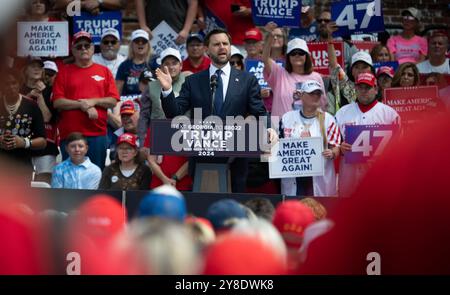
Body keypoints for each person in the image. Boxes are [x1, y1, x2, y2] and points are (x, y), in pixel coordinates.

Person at [155, 28, 267, 193]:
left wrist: (269, 128)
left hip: (235, 160)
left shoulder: (247, 80)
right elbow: (174, 114)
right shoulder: (193, 81)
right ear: (207, 49)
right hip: (202, 160)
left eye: (225, 44)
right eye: (216, 44)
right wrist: (167, 90)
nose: (222, 47)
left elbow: (259, 111)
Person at [52, 31, 119, 170]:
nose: (83, 48)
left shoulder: (104, 71)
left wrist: (93, 102)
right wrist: (83, 105)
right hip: (70, 134)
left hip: (97, 134)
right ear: (73, 50)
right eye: (79, 46)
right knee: (70, 178)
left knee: (96, 175)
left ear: (93, 48)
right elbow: (58, 102)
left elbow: (113, 100)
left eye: (87, 45)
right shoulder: (64, 72)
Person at [335, 73, 400, 197]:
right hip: (349, 179)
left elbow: (400, 147)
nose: (364, 91)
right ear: (355, 89)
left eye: (368, 87)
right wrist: (340, 148)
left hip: (379, 178)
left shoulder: (390, 114)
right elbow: (333, 145)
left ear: (376, 89)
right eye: (360, 87)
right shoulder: (342, 113)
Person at [278, 80, 341, 196]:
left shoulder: (328, 119)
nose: (316, 96)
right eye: (311, 93)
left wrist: (332, 153)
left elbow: (336, 147)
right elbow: (277, 146)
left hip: (319, 179)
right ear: (301, 96)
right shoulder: (287, 118)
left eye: (318, 93)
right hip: (294, 178)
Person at [263, 22, 327, 120]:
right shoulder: (279, 73)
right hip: (281, 129)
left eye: (301, 53)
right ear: (288, 57)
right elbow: (265, 58)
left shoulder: (316, 77)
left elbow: (322, 106)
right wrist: (270, 37)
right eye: (293, 53)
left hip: (309, 130)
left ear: (307, 56)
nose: (297, 55)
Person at [0, 69, 46, 178]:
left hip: (22, 166)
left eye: (14, 83)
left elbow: (43, 142)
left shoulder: (32, 106)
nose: (11, 87)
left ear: (20, 84)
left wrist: (24, 142)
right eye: (6, 84)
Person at [19, 58, 59, 184]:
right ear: (25, 70)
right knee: (21, 183)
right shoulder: (17, 89)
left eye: (39, 67)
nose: (37, 69)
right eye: (33, 66)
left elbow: (46, 117)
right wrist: (30, 96)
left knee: (44, 184)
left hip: (46, 145)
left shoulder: (50, 91)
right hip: (21, 145)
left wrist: (40, 96)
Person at [115, 29, 152, 98]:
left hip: (149, 102)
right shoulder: (124, 65)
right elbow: (117, 92)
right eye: (137, 41)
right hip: (128, 103)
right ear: (132, 44)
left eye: (143, 41)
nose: (140, 43)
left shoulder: (154, 64)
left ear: (148, 44)